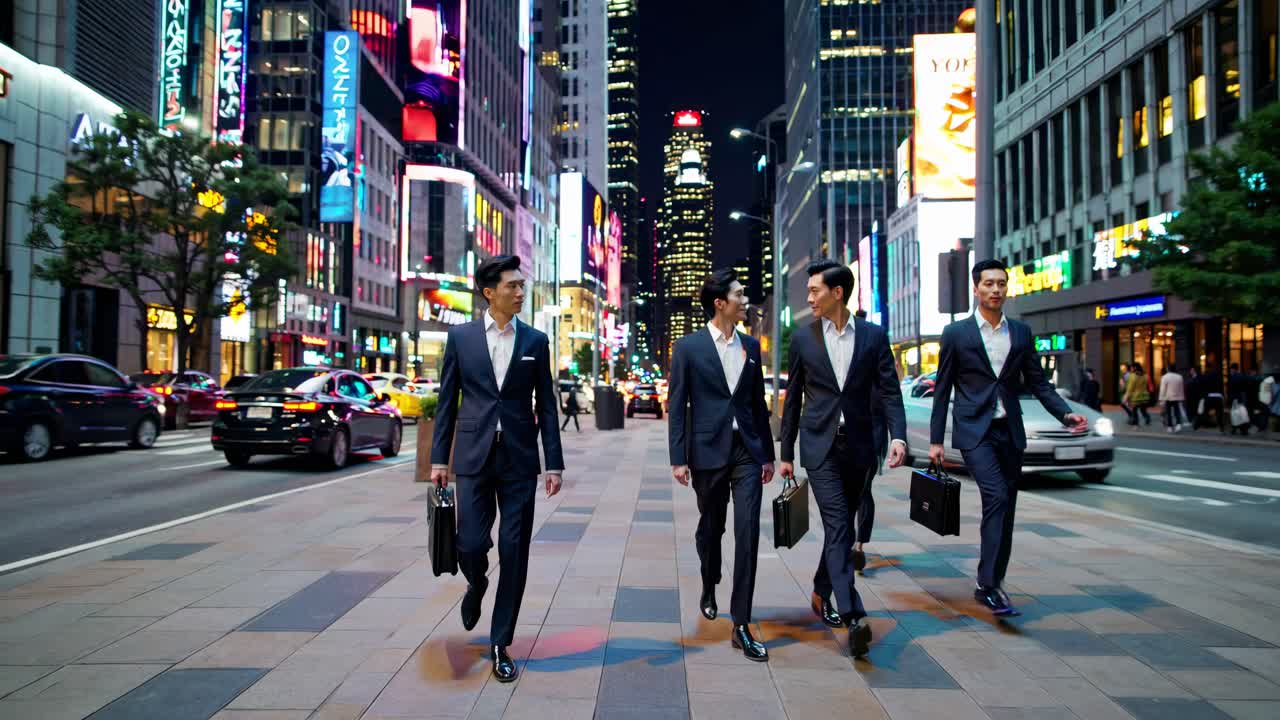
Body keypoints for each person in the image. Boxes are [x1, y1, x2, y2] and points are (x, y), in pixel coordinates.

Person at [429, 255, 565, 683]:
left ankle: (500, 642)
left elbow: (546, 403)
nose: (521, 292)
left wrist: (554, 464)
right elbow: (447, 400)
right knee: (470, 543)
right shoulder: (461, 337)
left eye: (522, 286)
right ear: (490, 292)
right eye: (513, 286)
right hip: (473, 455)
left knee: (514, 550)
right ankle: (476, 584)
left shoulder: (535, 341)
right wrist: (439, 460)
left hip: (520, 460)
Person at [928, 260, 1086, 617]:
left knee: (1006, 507)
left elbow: (1038, 382)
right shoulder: (956, 333)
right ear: (976, 288)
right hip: (974, 432)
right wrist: (936, 441)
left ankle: (993, 583)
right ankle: (988, 584)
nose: (995, 289)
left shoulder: (1021, 332)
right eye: (988, 284)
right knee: (996, 495)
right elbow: (943, 389)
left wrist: (1064, 413)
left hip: (1009, 432)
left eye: (1001, 283)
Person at [779, 260, 907, 658]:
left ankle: (821, 588)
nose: (809, 298)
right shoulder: (803, 339)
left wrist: (898, 435)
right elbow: (793, 397)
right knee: (838, 524)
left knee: (841, 528)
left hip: (861, 448)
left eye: (815, 291)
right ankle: (853, 616)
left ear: (837, 293)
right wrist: (786, 453)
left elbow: (889, 391)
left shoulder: (872, 337)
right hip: (819, 448)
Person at [668, 269, 776, 661]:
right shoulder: (688, 348)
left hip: (746, 450)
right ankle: (709, 578)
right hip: (707, 451)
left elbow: (756, 404)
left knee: (747, 532)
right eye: (739, 294)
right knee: (711, 528)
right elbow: (677, 406)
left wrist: (767, 453)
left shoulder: (750, 344)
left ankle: (742, 623)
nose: (745, 299)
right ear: (720, 302)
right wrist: (678, 458)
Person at [1159, 363, 1187, 433]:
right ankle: (1178, 424)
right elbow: (1181, 388)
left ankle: (1170, 426)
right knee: (1177, 411)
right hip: (1177, 397)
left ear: (1168, 369)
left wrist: (1161, 399)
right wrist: (1182, 397)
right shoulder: (1179, 377)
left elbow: (1163, 389)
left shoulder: (1165, 377)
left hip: (1168, 397)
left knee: (1168, 413)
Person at [1228, 363, 1251, 435]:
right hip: (1242, 397)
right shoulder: (1242, 376)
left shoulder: (1234, 377)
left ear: (1233, 369)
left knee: (1235, 413)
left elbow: (1232, 389)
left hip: (1236, 397)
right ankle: (1243, 429)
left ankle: (1235, 429)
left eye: (1231, 369)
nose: (1230, 371)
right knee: (1242, 413)